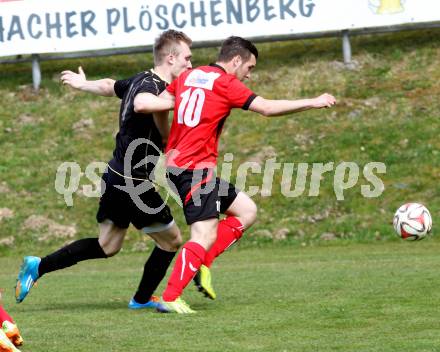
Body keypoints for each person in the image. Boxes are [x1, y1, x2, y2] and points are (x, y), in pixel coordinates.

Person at [134, 36, 336, 313]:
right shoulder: (226, 83)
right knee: (203, 234)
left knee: (246, 211)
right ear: (236, 60)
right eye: (249, 68)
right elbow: (266, 108)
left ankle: (201, 262)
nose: (248, 74)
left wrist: (169, 140)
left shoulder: (189, 76)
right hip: (194, 169)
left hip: (181, 166)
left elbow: (160, 105)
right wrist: (313, 101)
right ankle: (170, 296)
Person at [14, 30, 193, 310]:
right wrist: (183, 101)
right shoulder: (154, 89)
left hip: (115, 176)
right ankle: (141, 300)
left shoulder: (139, 79)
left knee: (107, 245)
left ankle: (38, 266)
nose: (190, 65)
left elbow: (110, 85)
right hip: (133, 182)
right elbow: (142, 104)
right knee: (172, 241)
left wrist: (83, 84)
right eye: (187, 58)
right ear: (171, 58)